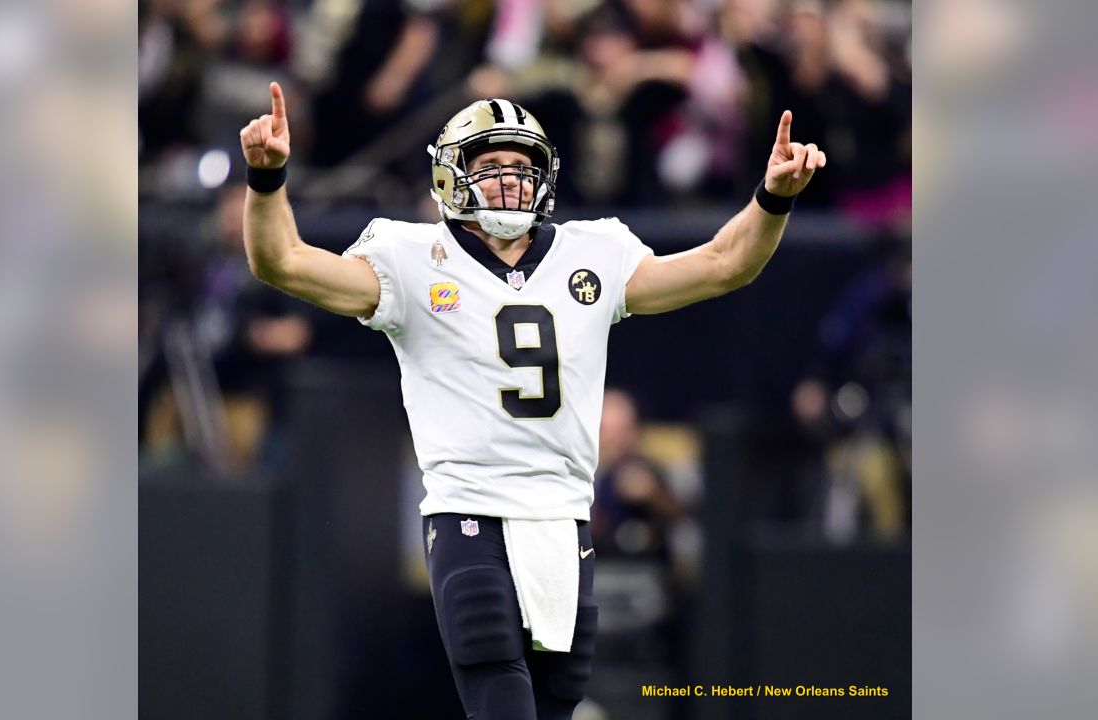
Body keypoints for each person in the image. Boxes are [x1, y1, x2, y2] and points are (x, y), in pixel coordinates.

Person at [238, 83, 825, 720]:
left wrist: (773, 199)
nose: (509, 182)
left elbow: (722, 265)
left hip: (565, 519)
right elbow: (284, 263)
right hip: (471, 514)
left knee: (553, 709)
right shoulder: (410, 258)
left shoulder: (593, 252)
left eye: (521, 168)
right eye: (490, 168)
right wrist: (266, 180)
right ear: (451, 176)